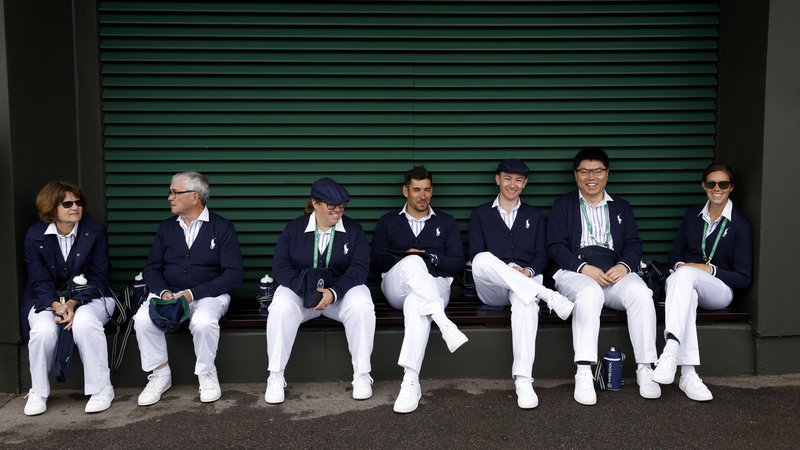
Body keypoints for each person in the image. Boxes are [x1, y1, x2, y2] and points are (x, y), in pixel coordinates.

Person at [546, 148, 660, 405]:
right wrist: (582, 267)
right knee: (589, 293)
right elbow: (554, 246)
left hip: (613, 271)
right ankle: (584, 371)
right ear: (575, 175)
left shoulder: (620, 206)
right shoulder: (563, 205)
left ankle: (646, 367)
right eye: (584, 171)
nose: (591, 177)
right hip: (575, 272)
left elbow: (633, 243)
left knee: (642, 294)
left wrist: (624, 266)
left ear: (607, 174)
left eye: (597, 170)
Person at [469, 159, 574, 409]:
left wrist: (527, 271)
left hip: (526, 280)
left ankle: (523, 380)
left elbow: (542, 255)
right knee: (482, 259)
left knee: (526, 302)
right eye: (507, 178)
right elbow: (475, 255)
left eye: (518, 180)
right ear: (498, 179)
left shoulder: (534, 215)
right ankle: (548, 295)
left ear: (525, 184)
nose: (512, 184)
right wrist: (507, 271)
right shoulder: (481, 214)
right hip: (493, 287)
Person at [133, 172, 243, 406]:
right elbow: (152, 269)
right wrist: (163, 293)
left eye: (175, 192)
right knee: (142, 320)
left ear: (195, 197)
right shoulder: (166, 229)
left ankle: (206, 374)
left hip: (208, 296)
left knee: (203, 322)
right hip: (169, 293)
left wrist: (193, 294)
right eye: (170, 192)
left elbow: (233, 275)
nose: (169, 197)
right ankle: (160, 375)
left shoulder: (222, 228)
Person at [265, 178, 376, 404]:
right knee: (280, 307)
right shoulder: (294, 229)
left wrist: (334, 292)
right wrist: (304, 288)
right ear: (315, 203)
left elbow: (359, 268)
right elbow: (280, 266)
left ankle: (362, 375)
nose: (338, 210)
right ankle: (275, 376)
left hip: (339, 297)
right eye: (331, 205)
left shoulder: (354, 230)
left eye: (342, 205)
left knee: (362, 305)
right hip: (303, 296)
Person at [652, 162, 752, 401]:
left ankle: (670, 348)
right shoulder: (692, 215)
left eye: (723, 184)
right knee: (686, 286)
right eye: (711, 183)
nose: (716, 188)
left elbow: (743, 278)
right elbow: (675, 256)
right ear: (704, 186)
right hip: (686, 286)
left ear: (731, 187)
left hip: (720, 290)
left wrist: (706, 268)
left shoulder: (740, 224)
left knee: (685, 276)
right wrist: (683, 267)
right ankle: (688, 374)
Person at [371, 165, 467, 414]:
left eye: (427, 190)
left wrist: (430, 257)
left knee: (417, 302)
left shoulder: (445, 222)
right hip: (396, 288)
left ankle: (410, 380)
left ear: (432, 191)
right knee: (412, 263)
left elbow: (456, 262)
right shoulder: (389, 222)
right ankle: (445, 324)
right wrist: (405, 257)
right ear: (406, 191)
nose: (422, 195)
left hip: (435, 287)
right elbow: (376, 261)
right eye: (416, 190)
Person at [21, 181, 116, 415]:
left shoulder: (94, 231)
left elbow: (99, 277)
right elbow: (38, 280)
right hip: (46, 300)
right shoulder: (35, 236)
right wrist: (56, 305)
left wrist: (74, 303)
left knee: (84, 322)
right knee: (43, 332)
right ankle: (38, 391)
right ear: (52, 209)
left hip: (92, 297)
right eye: (67, 203)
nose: (75, 207)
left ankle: (101, 388)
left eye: (78, 202)